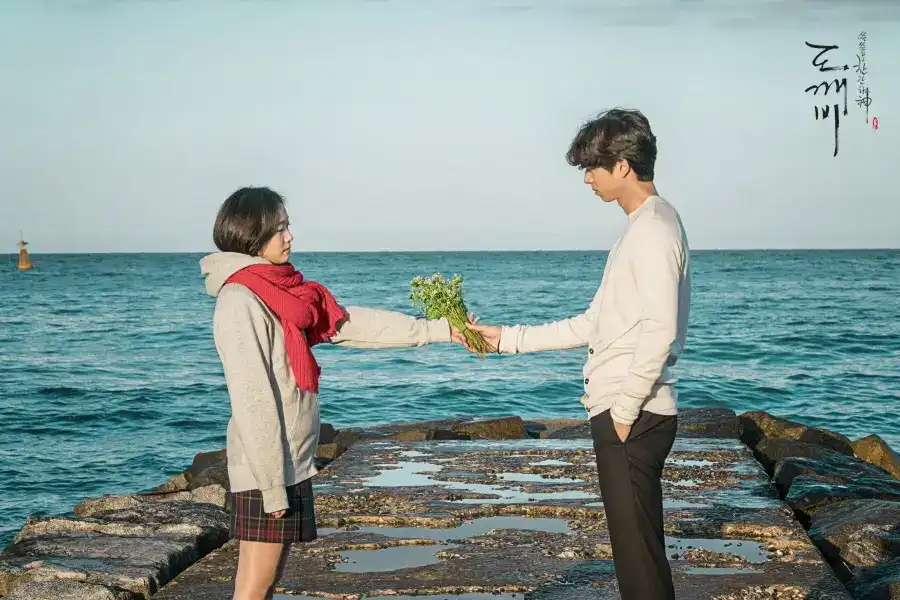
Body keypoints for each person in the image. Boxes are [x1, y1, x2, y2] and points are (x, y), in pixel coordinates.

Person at [454, 108, 690, 600]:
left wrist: (623, 412)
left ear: (622, 166)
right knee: (638, 559)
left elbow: (660, 330)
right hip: (629, 412)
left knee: (640, 570)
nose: (587, 179)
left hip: (633, 415)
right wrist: (506, 338)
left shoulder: (652, 230)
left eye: (592, 167)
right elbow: (593, 324)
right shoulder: (645, 225)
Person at [200, 186, 454, 600]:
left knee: (261, 584)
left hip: (289, 462)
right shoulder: (241, 301)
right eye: (280, 228)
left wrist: (440, 329)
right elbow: (253, 401)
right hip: (269, 468)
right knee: (253, 588)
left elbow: (352, 325)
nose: (289, 237)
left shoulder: (281, 294)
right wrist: (271, 488)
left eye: (287, 226)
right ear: (252, 234)